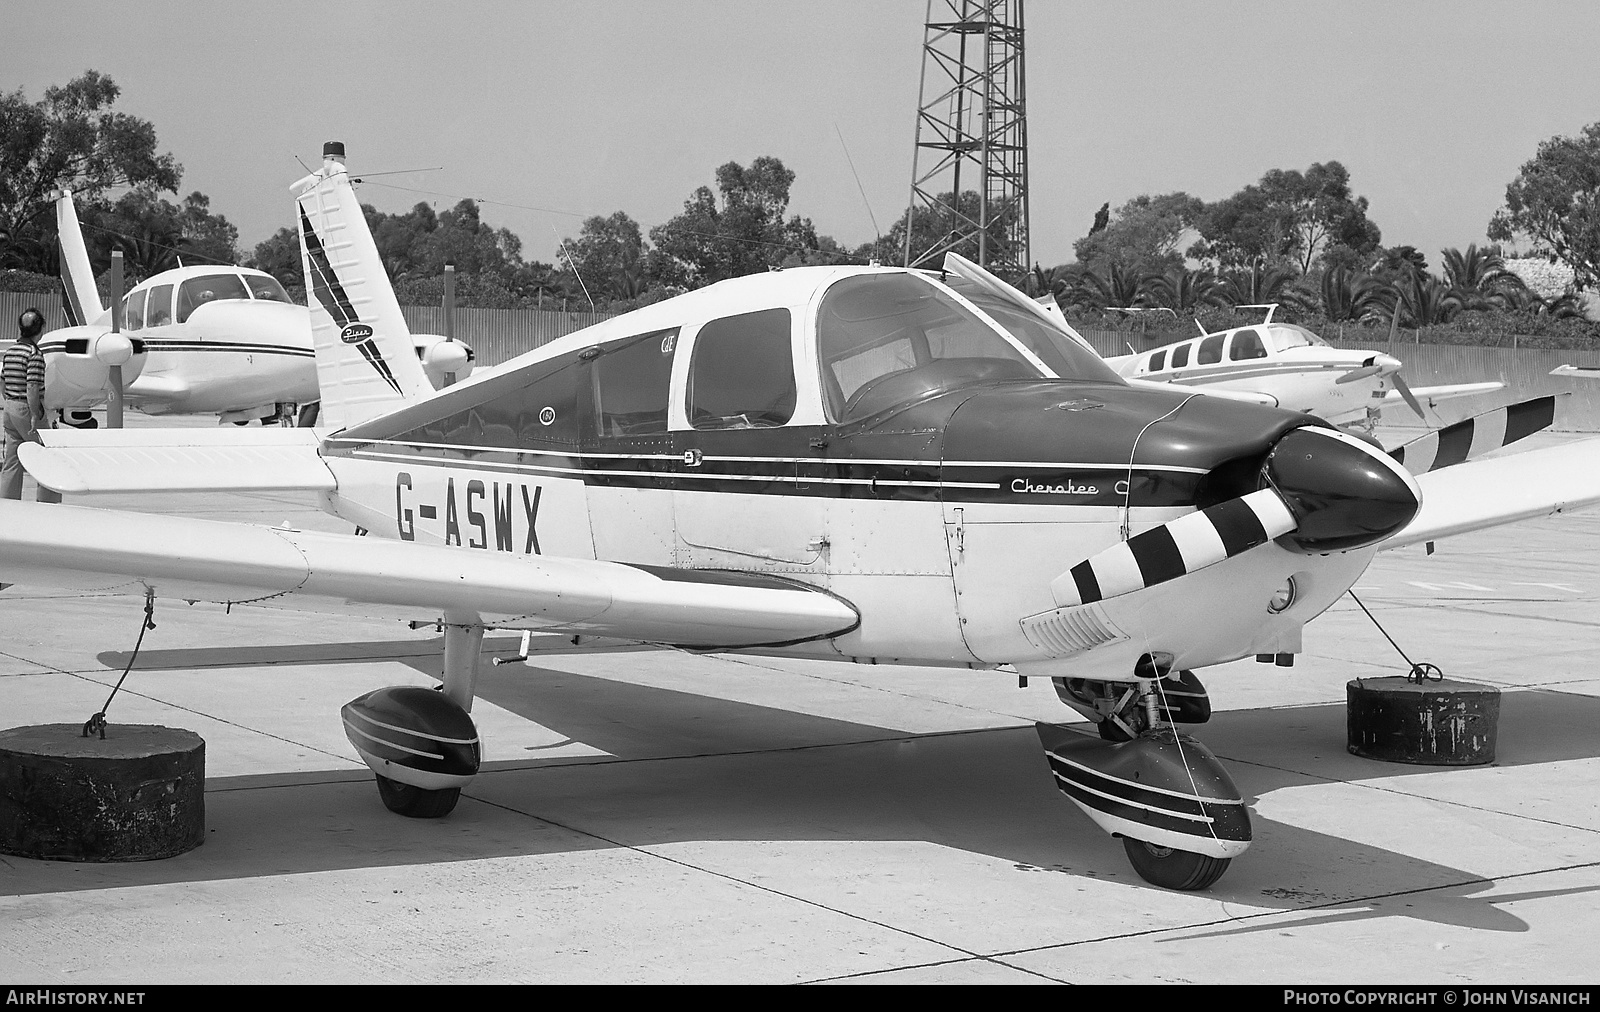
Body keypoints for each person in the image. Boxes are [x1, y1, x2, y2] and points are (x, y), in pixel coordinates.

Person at [2, 308, 64, 503]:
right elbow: (32, 386)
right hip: (26, 410)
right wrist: (35, 413)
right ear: (40, 329)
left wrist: (9, 399)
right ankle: (48, 504)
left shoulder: (11, 351)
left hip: (10, 407)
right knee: (47, 455)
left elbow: (2, 380)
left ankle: (7, 504)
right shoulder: (34, 354)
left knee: (12, 461)